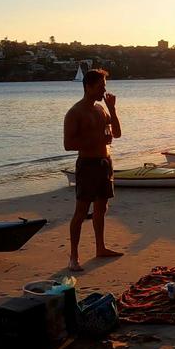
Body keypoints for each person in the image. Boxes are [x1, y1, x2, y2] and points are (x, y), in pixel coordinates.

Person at [63, 68, 123, 271]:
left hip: (104, 163)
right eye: (100, 87)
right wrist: (97, 139)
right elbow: (68, 144)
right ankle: (74, 256)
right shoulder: (75, 112)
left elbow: (117, 133)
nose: (103, 91)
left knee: (101, 208)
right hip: (87, 165)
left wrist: (112, 109)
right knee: (81, 211)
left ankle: (100, 247)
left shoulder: (102, 109)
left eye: (104, 87)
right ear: (88, 87)